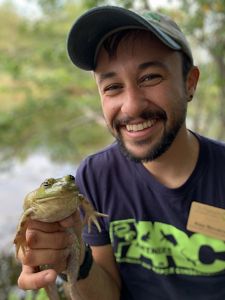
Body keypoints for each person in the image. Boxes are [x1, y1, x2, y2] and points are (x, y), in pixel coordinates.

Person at [17, 5, 225, 300]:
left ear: (189, 83)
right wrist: (76, 259)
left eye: (150, 77)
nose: (131, 106)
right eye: (113, 86)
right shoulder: (94, 176)